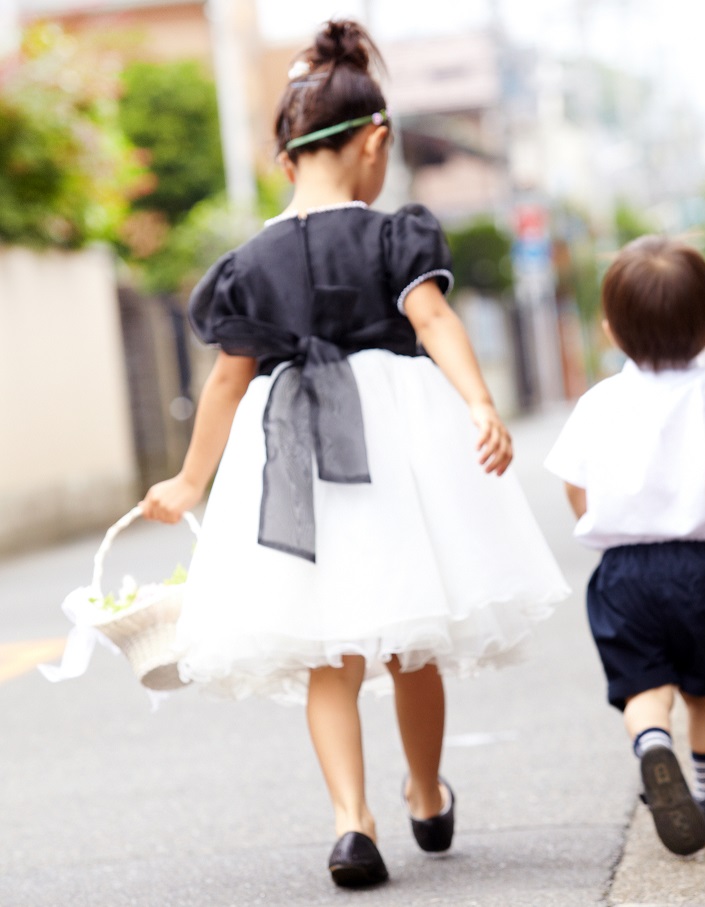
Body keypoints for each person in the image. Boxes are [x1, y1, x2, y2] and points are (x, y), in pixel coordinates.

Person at [140, 19, 568, 889]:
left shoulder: (248, 264)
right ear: (376, 141)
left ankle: (350, 819)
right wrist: (480, 402)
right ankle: (421, 788)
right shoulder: (393, 235)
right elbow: (434, 320)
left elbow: (226, 384)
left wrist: (191, 480)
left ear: (286, 159)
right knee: (412, 641)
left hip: (292, 457)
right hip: (399, 456)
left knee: (326, 652)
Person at [544, 236, 705, 856]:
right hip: (698, 568)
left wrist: (593, 518)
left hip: (622, 573)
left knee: (643, 685)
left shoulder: (599, 400)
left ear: (611, 331)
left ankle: (651, 745)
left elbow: (574, 483)